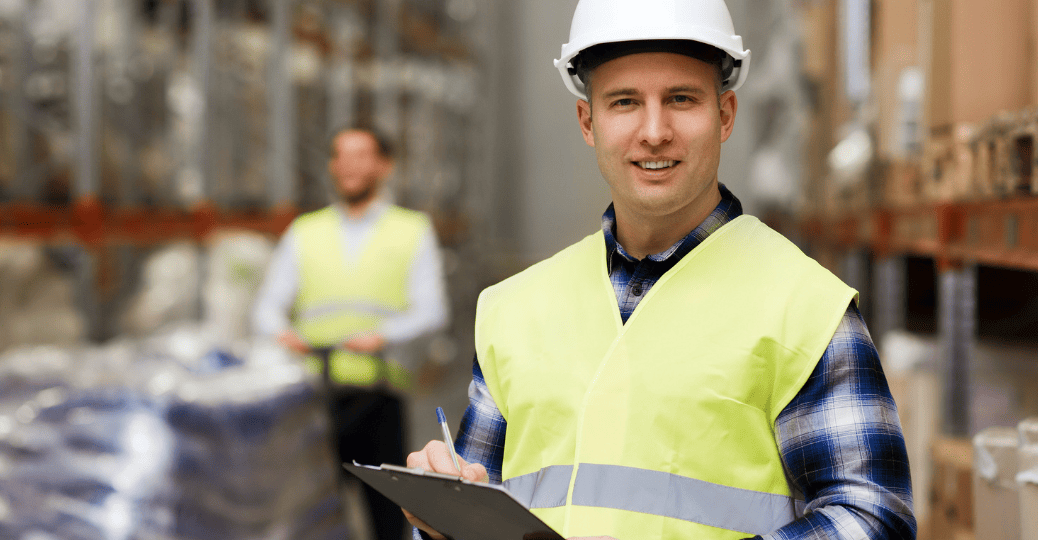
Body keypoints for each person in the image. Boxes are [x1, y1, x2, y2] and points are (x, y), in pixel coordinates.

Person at [403, 0, 917, 539]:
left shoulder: (803, 308)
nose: (654, 131)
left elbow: (873, 519)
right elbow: (476, 518)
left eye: (681, 99)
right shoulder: (516, 309)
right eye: (624, 102)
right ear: (588, 122)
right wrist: (441, 520)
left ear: (725, 116)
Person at [252, 127, 449, 540]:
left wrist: (383, 335)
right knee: (313, 515)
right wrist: (284, 335)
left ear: (384, 165)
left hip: (378, 394)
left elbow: (431, 310)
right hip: (314, 399)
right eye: (341, 155)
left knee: (386, 518)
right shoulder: (305, 231)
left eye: (362, 155)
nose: (349, 165)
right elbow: (267, 308)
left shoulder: (411, 229)